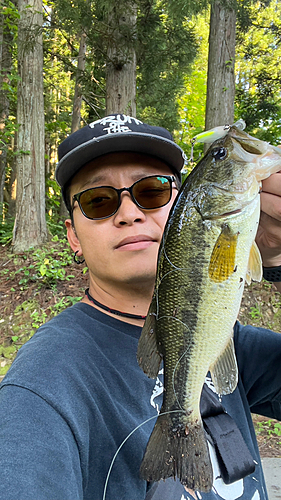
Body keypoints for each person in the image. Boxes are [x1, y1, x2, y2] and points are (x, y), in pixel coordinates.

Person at [0, 113, 281, 500]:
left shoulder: (229, 342)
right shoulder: (42, 388)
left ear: (179, 206)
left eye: (151, 191)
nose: (130, 213)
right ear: (73, 238)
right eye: (98, 201)